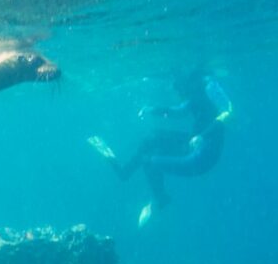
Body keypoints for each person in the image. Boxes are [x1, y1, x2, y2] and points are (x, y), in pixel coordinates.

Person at [89, 68, 232, 227]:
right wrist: (152, 109)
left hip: (204, 157)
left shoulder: (209, 86)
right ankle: (124, 171)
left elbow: (229, 111)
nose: (176, 89)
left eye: (177, 84)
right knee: (152, 138)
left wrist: (203, 135)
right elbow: (178, 111)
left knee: (149, 162)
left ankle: (160, 200)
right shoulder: (194, 91)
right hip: (194, 144)